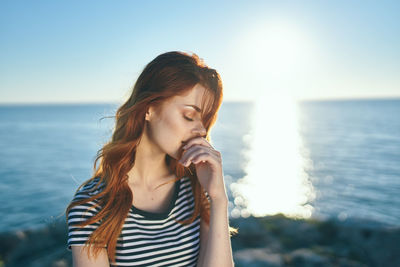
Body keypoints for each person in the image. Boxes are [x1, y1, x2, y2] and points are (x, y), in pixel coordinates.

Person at [65, 51, 237, 267]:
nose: (201, 130)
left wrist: (219, 200)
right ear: (148, 108)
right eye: (189, 116)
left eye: (205, 121)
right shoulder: (93, 205)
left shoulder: (196, 187)